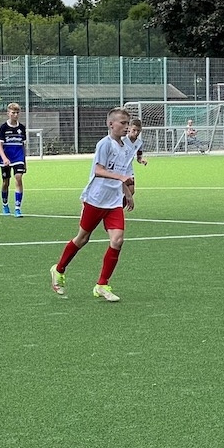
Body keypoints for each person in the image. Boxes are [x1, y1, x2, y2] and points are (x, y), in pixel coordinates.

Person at [50, 107, 135, 302]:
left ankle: (102, 285)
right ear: (110, 124)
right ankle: (59, 269)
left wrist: (127, 193)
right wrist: (121, 178)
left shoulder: (126, 148)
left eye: (127, 123)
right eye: (122, 123)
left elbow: (122, 172)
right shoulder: (104, 144)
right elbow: (98, 170)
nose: (126, 127)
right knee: (82, 239)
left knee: (117, 241)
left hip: (114, 202)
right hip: (95, 199)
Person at [0, 102, 27, 217]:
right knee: (6, 182)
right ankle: (5, 205)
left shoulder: (21, 128)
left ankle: (17, 208)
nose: (15, 115)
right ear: (8, 113)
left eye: (17, 112)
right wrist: (4, 158)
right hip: (6, 158)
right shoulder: (4, 127)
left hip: (18, 157)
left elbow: (23, 145)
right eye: (13, 112)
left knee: (18, 178)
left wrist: (24, 161)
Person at [123, 118, 147, 197]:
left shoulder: (139, 143)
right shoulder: (122, 140)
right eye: (134, 130)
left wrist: (141, 160)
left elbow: (139, 157)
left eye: (138, 131)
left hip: (129, 170)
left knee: (131, 191)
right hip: (118, 169)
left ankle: (121, 205)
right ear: (129, 128)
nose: (136, 133)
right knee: (119, 192)